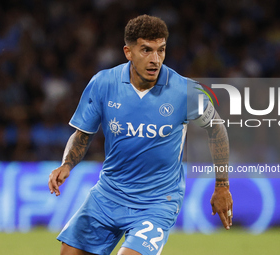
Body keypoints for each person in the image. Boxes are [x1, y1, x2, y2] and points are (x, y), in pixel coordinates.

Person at [48, 14, 233, 255]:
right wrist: (66, 164)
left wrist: (222, 185)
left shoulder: (186, 91)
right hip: (108, 194)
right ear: (128, 52)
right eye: (146, 50)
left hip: (156, 203)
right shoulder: (103, 83)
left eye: (161, 50)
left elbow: (217, 130)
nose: (155, 59)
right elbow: (83, 134)